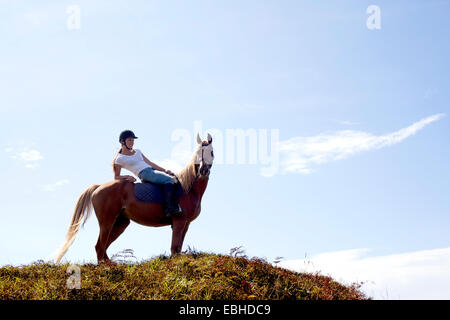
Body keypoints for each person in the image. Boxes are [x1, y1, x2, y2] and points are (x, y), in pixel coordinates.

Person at [112, 130, 183, 218]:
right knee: (170, 180)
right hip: (144, 174)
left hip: (151, 171)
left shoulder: (138, 151)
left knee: (172, 177)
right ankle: (170, 208)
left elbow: (150, 163)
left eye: (133, 140)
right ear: (123, 141)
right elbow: (116, 177)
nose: (132, 142)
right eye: (129, 140)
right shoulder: (120, 159)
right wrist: (127, 177)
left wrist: (165, 170)